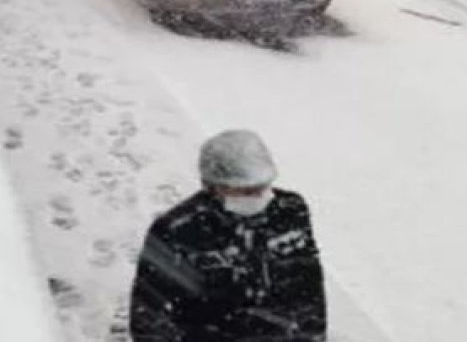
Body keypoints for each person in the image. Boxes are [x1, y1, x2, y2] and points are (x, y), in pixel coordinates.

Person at [130, 130, 327, 342]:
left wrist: (312, 336)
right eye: (245, 190)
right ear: (213, 187)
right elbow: (149, 316)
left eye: (263, 187)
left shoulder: (289, 211)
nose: (259, 197)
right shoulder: (177, 230)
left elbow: (309, 287)